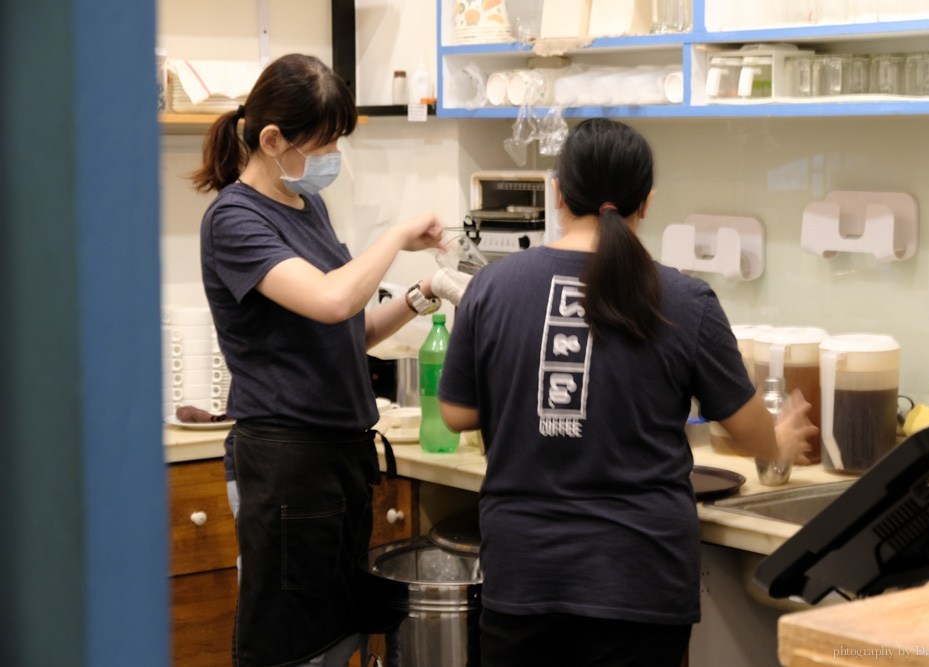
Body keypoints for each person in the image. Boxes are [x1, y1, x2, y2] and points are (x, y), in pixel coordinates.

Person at [437, 118, 816, 667]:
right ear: (647, 203)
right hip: (639, 581)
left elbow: (456, 413)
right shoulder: (686, 299)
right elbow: (747, 429)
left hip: (525, 575)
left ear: (559, 194)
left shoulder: (493, 286)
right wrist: (777, 442)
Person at [191, 53, 448, 667]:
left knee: (338, 640)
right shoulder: (234, 219)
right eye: (324, 143)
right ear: (271, 140)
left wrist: (422, 294)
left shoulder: (310, 209)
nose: (333, 156)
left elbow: (350, 330)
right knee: (294, 645)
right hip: (288, 463)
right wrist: (394, 236)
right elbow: (334, 300)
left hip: (339, 459)